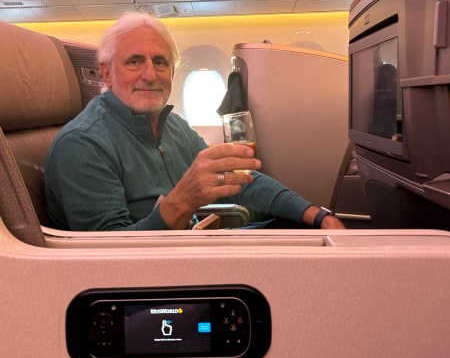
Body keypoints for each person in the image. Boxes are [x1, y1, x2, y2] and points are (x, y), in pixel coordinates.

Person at [44, 12, 345, 231]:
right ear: (107, 73)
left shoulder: (173, 126)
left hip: (187, 245)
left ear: (172, 73)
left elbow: (238, 178)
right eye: (134, 61)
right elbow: (110, 259)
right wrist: (184, 200)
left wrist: (318, 215)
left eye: (160, 62)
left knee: (302, 229)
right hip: (148, 278)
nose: (150, 74)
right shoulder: (83, 144)